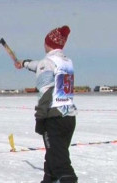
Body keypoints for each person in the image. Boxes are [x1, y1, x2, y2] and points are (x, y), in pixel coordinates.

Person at [14, 25, 78, 183]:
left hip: (53, 119)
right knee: (53, 157)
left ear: (48, 43)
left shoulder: (47, 63)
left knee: (60, 164)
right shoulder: (65, 61)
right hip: (69, 118)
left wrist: (40, 118)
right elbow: (38, 65)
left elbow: (46, 92)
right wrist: (24, 63)